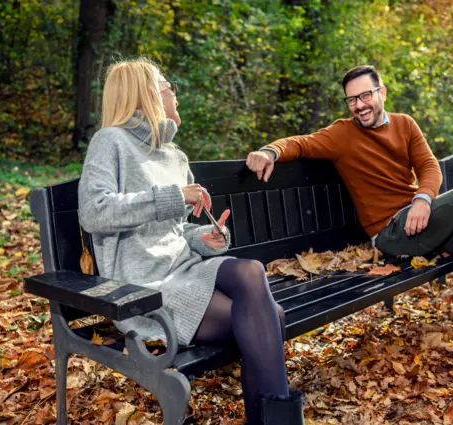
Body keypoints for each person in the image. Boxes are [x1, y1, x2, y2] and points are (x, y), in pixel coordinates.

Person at [246, 65, 453, 361]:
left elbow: (429, 166)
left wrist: (422, 198)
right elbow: (301, 143)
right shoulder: (342, 134)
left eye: (365, 95)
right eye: (351, 100)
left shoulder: (405, 125)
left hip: (423, 222)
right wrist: (269, 151)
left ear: (382, 93)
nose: (359, 105)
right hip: (392, 234)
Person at [78, 58, 304, 424]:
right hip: (145, 287)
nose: (175, 95)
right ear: (148, 93)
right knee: (271, 317)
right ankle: (276, 419)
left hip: (185, 271)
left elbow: (177, 230)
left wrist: (206, 237)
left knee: (251, 272)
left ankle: (269, 420)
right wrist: (173, 196)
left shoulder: (174, 156)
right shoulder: (111, 142)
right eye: (169, 86)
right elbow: (94, 210)